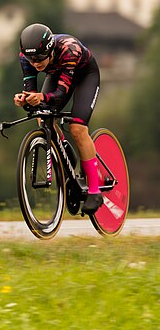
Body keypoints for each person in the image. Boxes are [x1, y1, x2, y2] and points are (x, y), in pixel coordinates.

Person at [15, 22, 102, 215]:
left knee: (78, 129)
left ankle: (95, 191)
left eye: (39, 58)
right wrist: (25, 99)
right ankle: (64, 150)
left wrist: (42, 98)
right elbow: (32, 92)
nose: (35, 63)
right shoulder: (26, 58)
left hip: (84, 75)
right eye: (31, 59)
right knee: (42, 117)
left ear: (50, 50)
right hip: (58, 73)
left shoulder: (69, 51)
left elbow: (60, 94)